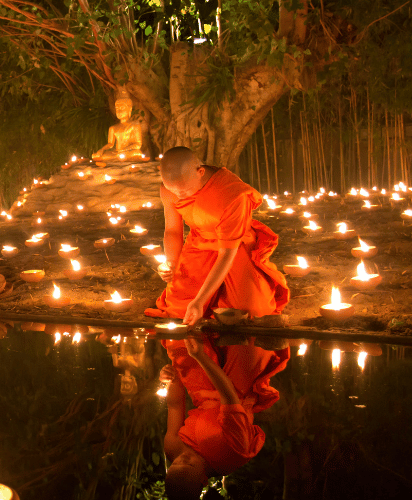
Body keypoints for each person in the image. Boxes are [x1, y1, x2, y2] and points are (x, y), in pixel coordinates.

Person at [145, 147, 289, 324]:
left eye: (184, 191)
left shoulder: (232, 194)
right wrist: (172, 264)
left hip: (236, 245)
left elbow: (226, 254)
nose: (178, 195)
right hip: (199, 243)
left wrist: (199, 301)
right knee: (178, 310)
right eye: (172, 190)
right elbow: (173, 230)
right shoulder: (171, 189)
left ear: (200, 172)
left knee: (248, 311)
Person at [160, 336, 289, 499]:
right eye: (189, 464)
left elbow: (175, 405)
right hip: (236, 389)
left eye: (176, 463)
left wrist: (172, 379)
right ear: (203, 480)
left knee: (181, 338)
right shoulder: (231, 454)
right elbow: (229, 396)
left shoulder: (173, 448)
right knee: (245, 332)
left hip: (202, 390)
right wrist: (201, 357)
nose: (183, 457)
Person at [92, 90, 145, 162]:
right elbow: (110, 144)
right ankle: (118, 157)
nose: (119, 111)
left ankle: (119, 157)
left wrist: (124, 150)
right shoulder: (113, 128)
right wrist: (102, 149)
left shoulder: (135, 125)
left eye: (122, 108)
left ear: (129, 109)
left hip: (128, 152)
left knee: (137, 153)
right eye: (117, 109)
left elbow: (138, 144)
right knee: (99, 155)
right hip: (117, 152)